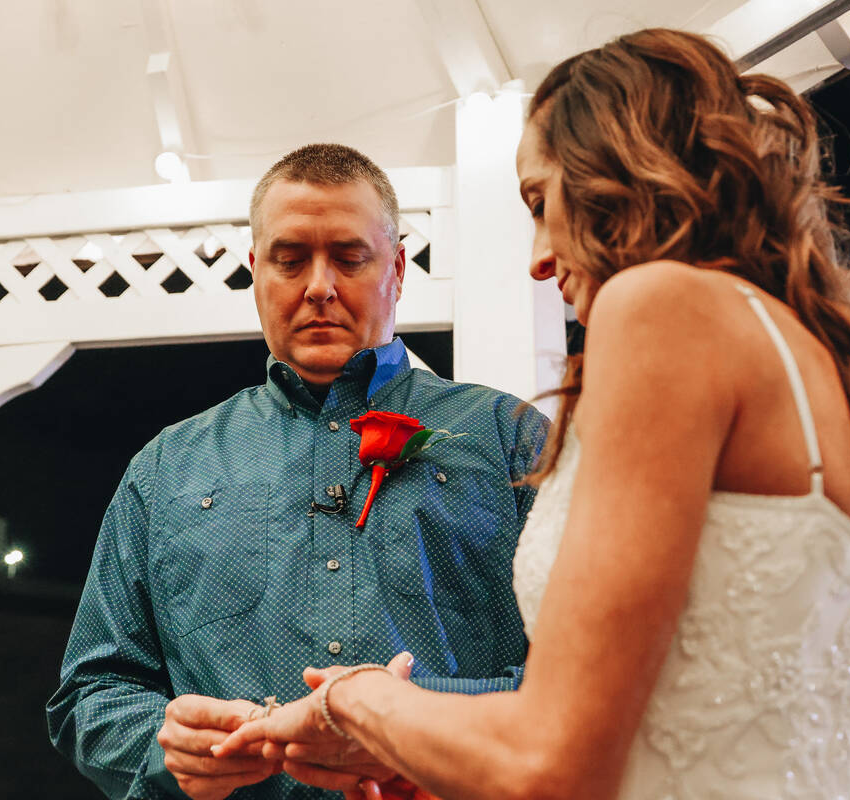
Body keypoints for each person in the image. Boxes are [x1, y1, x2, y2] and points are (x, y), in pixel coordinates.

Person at [211, 28, 850, 800]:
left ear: (621, 171)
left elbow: (552, 765)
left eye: (541, 201)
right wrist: (438, 756)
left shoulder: (662, 306)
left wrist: (357, 700)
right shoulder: (839, 369)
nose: (538, 255)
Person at [47, 143, 547, 800]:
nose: (318, 286)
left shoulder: (508, 438)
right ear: (256, 271)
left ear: (396, 268)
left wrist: (405, 718)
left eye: (349, 257)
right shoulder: (165, 468)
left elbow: (586, 681)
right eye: (289, 260)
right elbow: (91, 694)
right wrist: (166, 745)